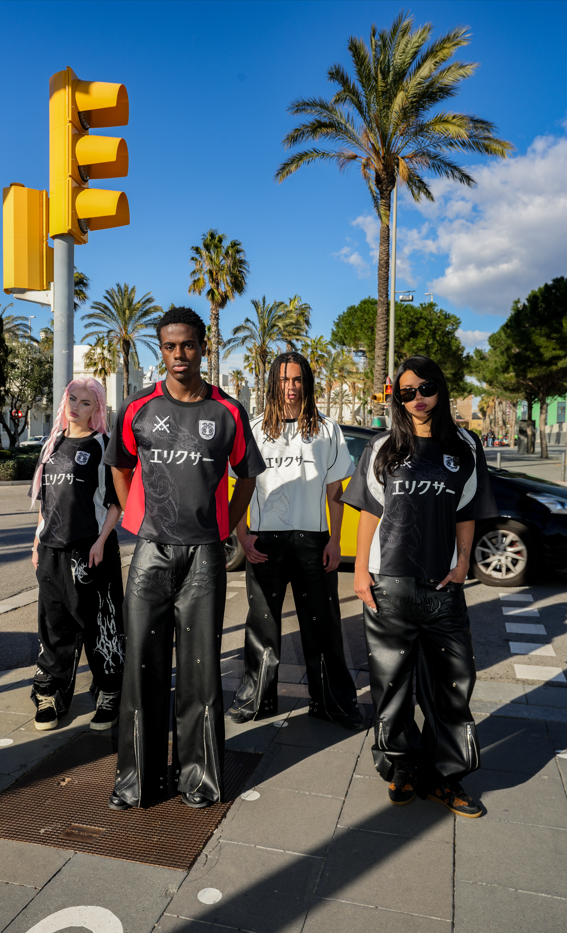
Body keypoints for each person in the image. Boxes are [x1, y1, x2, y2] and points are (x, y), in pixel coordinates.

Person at [104, 307, 265, 811]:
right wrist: (142, 519)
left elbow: (247, 476)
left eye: (188, 346)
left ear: (203, 348)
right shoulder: (137, 408)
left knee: (200, 673)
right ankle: (138, 781)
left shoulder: (229, 411)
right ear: (162, 349)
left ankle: (200, 779)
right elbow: (120, 466)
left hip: (204, 558)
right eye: (170, 346)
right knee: (142, 670)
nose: (178, 355)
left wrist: (222, 527)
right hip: (151, 554)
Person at [342, 355, 497, 818]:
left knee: (453, 685)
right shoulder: (383, 445)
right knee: (391, 686)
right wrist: (359, 571)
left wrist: (464, 561)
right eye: (406, 393)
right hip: (389, 582)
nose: (417, 400)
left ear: (441, 390)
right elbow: (370, 509)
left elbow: (467, 512)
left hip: (443, 584)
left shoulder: (466, 445)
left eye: (425, 389)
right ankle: (402, 768)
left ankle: (445, 778)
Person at [226, 352, 363, 731]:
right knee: (262, 625)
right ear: (273, 382)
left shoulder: (327, 430)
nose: (291, 387)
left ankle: (332, 702)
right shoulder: (253, 429)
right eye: (284, 379)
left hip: (313, 541)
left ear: (307, 383)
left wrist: (334, 541)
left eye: (298, 379)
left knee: (323, 627)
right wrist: (243, 534)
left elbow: (335, 491)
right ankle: (256, 700)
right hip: (264, 541)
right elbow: (240, 486)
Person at [30, 377, 124, 732]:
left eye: (86, 402)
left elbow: (116, 503)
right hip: (52, 551)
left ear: (97, 408)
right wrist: (36, 543)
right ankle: (51, 692)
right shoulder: (50, 445)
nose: (76, 407)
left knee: (99, 623)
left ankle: (109, 691)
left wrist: (100, 542)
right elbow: (45, 503)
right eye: (73, 399)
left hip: (91, 551)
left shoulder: (103, 445)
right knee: (55, 625)